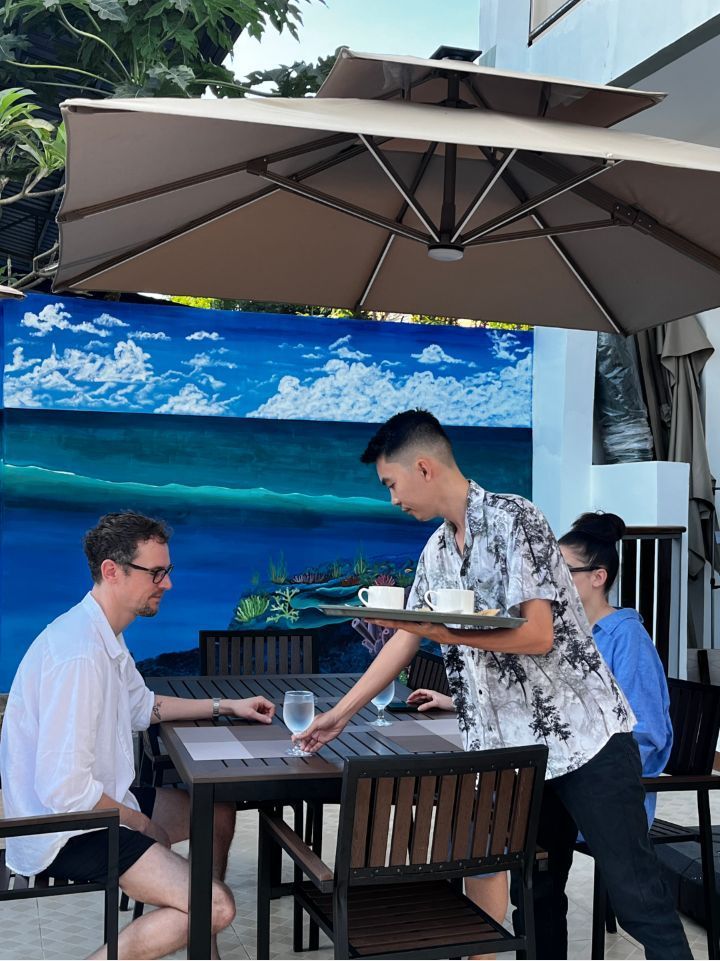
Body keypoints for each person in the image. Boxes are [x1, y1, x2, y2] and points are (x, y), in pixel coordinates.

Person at [296, 410, 691, 960]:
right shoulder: (436, 550)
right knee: (538, 894)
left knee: (636, 898)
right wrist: (342, 713)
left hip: (586, 742)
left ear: (425, 468)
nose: (392, 500)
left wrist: (438, 629)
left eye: (391, 484)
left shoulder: (516, 521)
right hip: (518, 754)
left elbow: (534, 635)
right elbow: (407, 637)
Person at [0, 511, 275, 961]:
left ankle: (199, 940)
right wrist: (140, 822)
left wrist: (227, 706)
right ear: (113, 570)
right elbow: (65, 791)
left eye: (167, 571)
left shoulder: (104, 633)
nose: (166, 584)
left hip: (96, 803)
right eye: (156, 572)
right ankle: (197, 916)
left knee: (218, 813)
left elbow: (144, 706)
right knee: (219, 905)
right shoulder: (79, 656)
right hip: (63, 828)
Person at [558, 511, 673, 825]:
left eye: (563, 571)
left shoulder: (627, 638)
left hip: (609, 794)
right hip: (568, 775)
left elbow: (647, 735)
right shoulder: (568, 631)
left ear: (598, 577)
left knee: (501, 811)